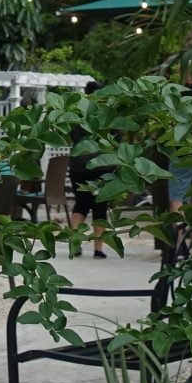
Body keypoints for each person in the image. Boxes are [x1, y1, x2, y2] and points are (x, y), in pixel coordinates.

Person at [68, 81, 114, 256]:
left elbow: (70, 134)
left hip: (78, 164)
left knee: (81, 203)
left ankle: (75, 243)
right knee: (100, 206)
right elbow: (115, 138)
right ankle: (98, 249)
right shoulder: (108, 113)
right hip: (102, 164)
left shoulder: (77, 112)